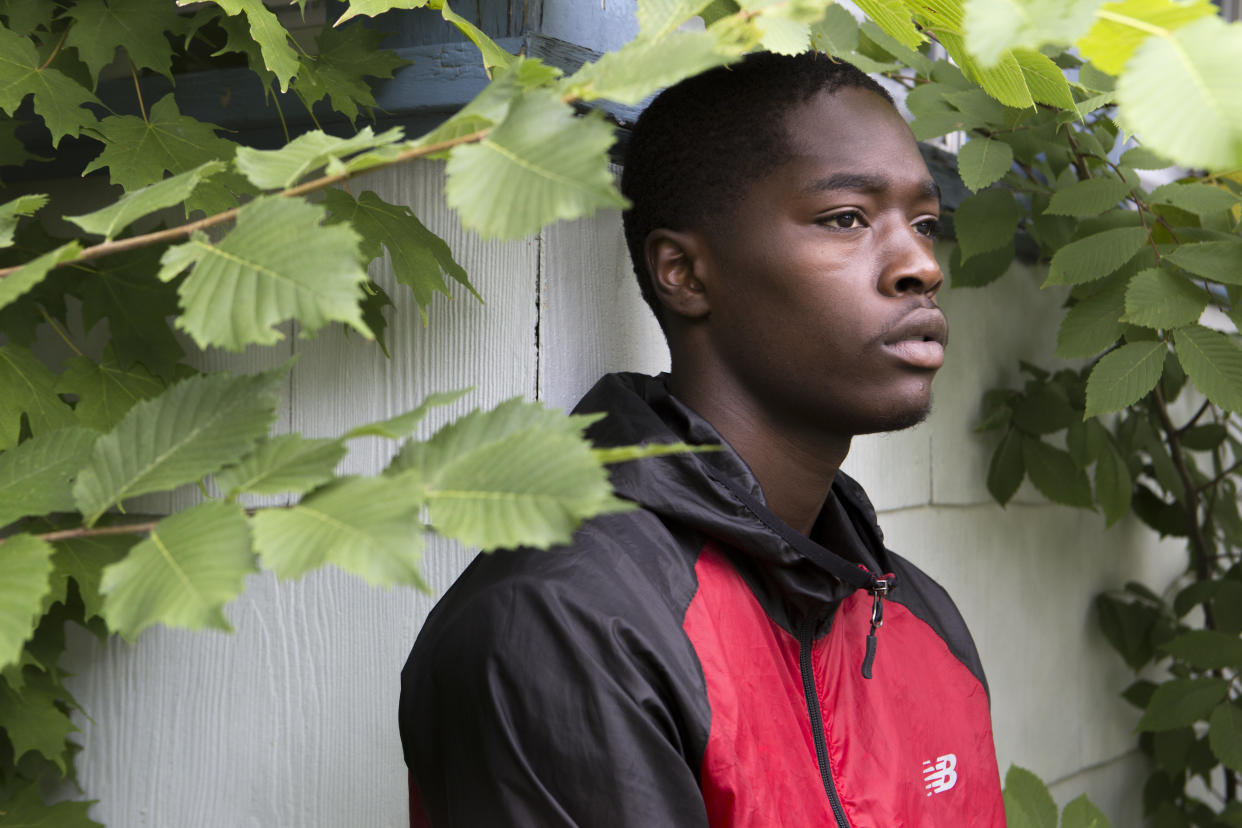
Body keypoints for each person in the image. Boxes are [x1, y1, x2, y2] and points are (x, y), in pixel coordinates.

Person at [399, 51, 1005, 827]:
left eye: (924, 224)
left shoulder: (918, 619)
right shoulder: (565, 625)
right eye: (846, 218)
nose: (921, 264)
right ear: (684, 273)